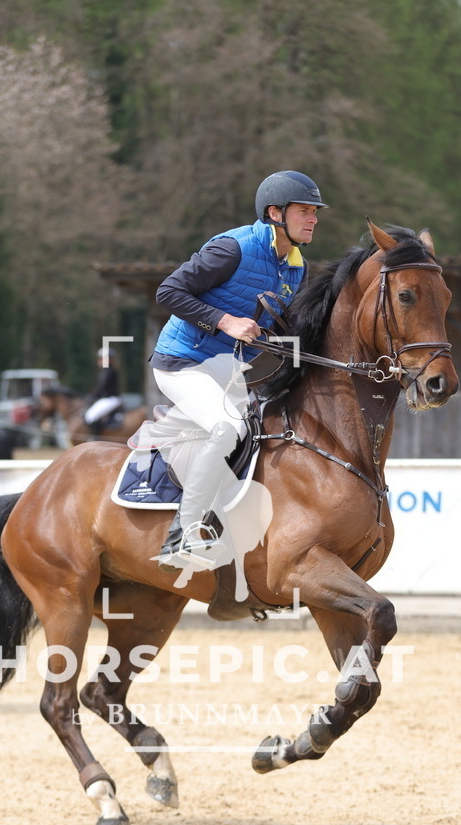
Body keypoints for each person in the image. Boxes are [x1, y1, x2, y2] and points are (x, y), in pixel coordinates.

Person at [151, 170, 327, 571]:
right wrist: (225, 321)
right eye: (305, 211)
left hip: (226, 372)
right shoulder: (233, 248)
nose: (313, 219)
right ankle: (182, 532)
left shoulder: (296, 267)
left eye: (315, 212)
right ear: (275, 213)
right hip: (181, 363)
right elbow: (168, 292)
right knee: (227, 429)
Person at [84, 348, 122, 433]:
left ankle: (95, 438)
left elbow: (102, 387)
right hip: (107, 399)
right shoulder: (106, 371)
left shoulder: (109, 371)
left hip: (111, 399)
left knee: (91, 416)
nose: (100, 361)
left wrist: (92, 396)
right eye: (100, 359)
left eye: (102, 358)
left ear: (110, 359)